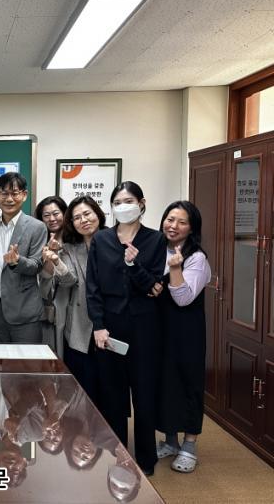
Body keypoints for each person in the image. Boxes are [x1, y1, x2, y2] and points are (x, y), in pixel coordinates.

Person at [85, 181, 166, 476]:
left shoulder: (155, 240)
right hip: (110, 326)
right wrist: (98, 325)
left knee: (144, 393)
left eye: (128, 201)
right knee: (112, 395)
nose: (123, 206)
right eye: (117, 202)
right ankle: (116, 454)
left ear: (141, 204)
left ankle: (145, 459)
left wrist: (134, 266)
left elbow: (153, 286)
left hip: (145, 326)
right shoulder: (102, 239)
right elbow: (92, 286)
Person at [155, 201, 211, 473]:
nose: (173, 226)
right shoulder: (156, 249)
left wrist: (175, 268)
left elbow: (183, 298)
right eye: (170, 219)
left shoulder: (196, 258)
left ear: (192, 228)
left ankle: (189, 445)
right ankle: (170, 441)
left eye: (182, 222)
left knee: (188, 383)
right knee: (165, 383)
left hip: (187, 332)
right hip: (160, 328)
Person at [42, 195, 106, 401]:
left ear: (98, 214)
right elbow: (69, 280)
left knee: (109, 387)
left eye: (87, 214)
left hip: (110, 322)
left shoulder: (114, 242)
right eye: (77, 218)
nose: (83, 220)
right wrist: (56, 261)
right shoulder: (70, 248)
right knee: (82, 387)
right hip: (80, 324)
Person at [0, 172, 47, 343]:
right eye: (4, 193)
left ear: (24, 195)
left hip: (24, 309)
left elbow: (37, 265)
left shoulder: (37, 227)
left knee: (27, 359)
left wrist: (18, 261)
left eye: (15, 193)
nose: (9, 199)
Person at [35, 196, 68, 355]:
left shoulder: (74, 240)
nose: (52, 219)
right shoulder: (39, 241)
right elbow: (45, 276)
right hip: (47, 306)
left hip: (70, 305)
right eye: (46, 215)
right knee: (48, 353)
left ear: (65, 213)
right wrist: (50, 253)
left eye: (56, 213)